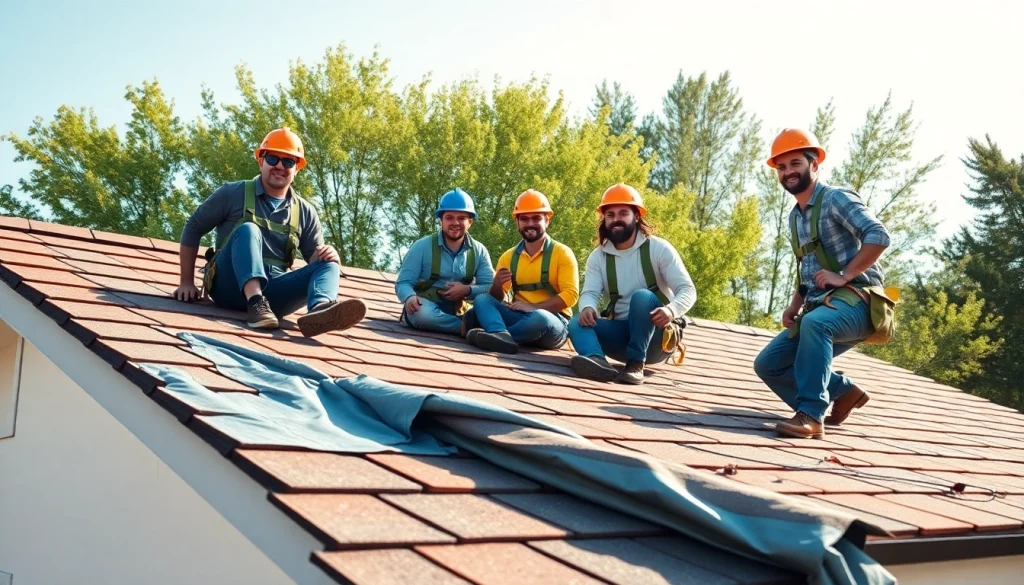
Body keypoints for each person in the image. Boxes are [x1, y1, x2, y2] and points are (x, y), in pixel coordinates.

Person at [753, 128, 891, 439]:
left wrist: (845, 275)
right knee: (769, 364)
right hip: (820, 306)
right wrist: (794, 305)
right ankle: (843, 391)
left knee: (817, 325)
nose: (788, 172)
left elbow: (879, 236)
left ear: (815, 164)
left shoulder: (835, 199)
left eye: (796, 163)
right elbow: (808, 270)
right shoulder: (795, 217)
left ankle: (812, 415)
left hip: (860, 302)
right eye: (782, 167)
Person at [173, 127, 365, 336]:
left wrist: (330, 257)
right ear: (260, 160)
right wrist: (186, 282)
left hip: (274, 297)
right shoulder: (232, 193)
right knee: (248, 229)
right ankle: (255, 302)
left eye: (288, 162)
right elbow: (193, 228)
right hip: (228, 286)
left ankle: (321, 309)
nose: (280, 166)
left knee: (329, 263)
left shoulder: (305, 212)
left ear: (297, 169)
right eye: (273, 159)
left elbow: (314, 262)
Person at [569, 183, 696, 384]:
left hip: (657, 341)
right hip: (621, 338)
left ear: (636, 216)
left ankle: (636, 365)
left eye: (623, 213)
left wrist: (671, 310)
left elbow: (688, 290)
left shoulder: (659, 248)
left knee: (642, 297)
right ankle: (597, 362)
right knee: (576, 321)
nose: (616, 220)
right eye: (610, 215)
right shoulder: (598, 257)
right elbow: (590, 292)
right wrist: (587, 308)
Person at [467, 189, 579, 354]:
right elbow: (497, 297)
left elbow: (571, 295)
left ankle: (498, 337)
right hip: (519, 317)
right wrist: (497, 284)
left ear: (547, 220)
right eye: (524, 219)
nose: (530, 224)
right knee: (482, 299)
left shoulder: (562, 253)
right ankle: (499, 334)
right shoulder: (509, 257)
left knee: (540, 317)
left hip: (553, 322)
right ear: (517, 222)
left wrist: (534, 307)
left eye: (536, 218)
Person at [395, 188, 494, 335]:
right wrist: (409, 297)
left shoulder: (479, 251)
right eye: (449, 217)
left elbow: (490, 288)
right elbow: (403, 283)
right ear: (441, 220)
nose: (455, 222)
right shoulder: (422, 246)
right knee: (422, 314)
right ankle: (466, 328)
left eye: (461, 218)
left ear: (470, 222)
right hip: (426, 307)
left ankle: (473, 325)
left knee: (491, 309)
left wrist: (467, 290)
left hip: (460, 309)